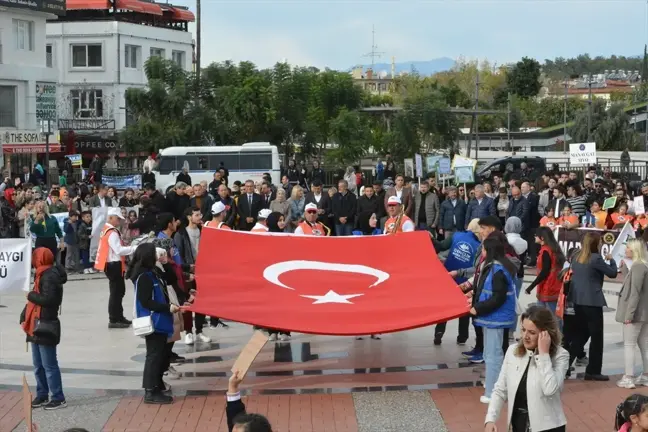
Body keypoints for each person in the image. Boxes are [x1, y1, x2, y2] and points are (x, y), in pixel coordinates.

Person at [484, 306, 569, 432]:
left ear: (546, 333)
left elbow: (550, 389)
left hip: (548, 427)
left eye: (532, 332)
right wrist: (490, 419)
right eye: (523, 330)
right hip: (518, 424)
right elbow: (500, 389)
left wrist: (543, 355)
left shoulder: (560, 356)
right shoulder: (512, 352)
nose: (525, 336)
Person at [128, 243, 185, 404]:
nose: (157, 255)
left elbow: (171, 279)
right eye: (154, 253)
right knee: (153, 356)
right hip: (154, 321)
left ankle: (157, 385)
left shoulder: (154, 272)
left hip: (162, 319)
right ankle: (150, 391)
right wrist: (167, 307)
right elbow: (145, 302)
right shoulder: (144, 277)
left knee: (160, 354)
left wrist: (166, 263)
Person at [470, 235, 518, 404]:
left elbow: (498, 298)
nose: (481, 251)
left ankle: (493, 393)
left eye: (483, 248)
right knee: (491, 353)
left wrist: (478, 308)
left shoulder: (497, 270)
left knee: (493, 355)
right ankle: (494, 386)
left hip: (495, 318)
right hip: (493, 317)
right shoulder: (497, 267)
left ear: (488, 251)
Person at [21, 248, 67, 410]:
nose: (33, 260)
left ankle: (58, 397)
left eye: (35, 257)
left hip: (45, 323)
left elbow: (50, 300)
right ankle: (42, 394)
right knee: (38, 364)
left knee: (49, 364)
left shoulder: (50, 276)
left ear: (40, 259)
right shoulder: (41, 274)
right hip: (36, 323)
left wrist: (30, 295)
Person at [568, 232, 618, 381]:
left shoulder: (576, 257)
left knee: (580, 334)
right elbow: (613, 273)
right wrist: (612, 260)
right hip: (593, 302)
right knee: (596, 337)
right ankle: (593, 370)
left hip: (578, 300)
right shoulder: (596, 258)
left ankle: (565, 365)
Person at [433, 218, 481, 345]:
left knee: (445, 306)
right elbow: (477, 267)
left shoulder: (456, 235)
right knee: (464, 308)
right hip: (465, 281)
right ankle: (462, 337)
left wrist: (430, 238)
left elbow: (441, 246)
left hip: (448, 276)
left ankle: (438, 334)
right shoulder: (478, 246)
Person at [95, 207, 137, 329]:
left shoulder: (106, 229)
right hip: (114, 264)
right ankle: (114, 319)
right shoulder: (112, 232)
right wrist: (134, 248)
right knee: (116, 293)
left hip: (111, 264)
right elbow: (118, 250)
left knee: (118, 292)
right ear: (111, 217)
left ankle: (119, 317)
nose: (119, 221)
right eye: (118, 218)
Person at [615, 239, 648, 389]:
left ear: (634, 250)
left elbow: (635, 292)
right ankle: (645, 375)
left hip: (636, 313)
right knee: (643, 344)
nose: (626, 250)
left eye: (628, 248)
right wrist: (625, 270)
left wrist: (630, 314)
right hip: (644, 313)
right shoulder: (641, 265)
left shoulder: (638, 266)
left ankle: (629, 376)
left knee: (629, 345)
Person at [525, 226, 565, 316]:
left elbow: (544, 272)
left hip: (548, 287)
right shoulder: (553, 249)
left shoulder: (546, 251)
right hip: (551, 286)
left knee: (551, 317)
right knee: (543, 316)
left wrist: (531, 286)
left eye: (536, 235)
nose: (534, 237)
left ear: (542, 238)